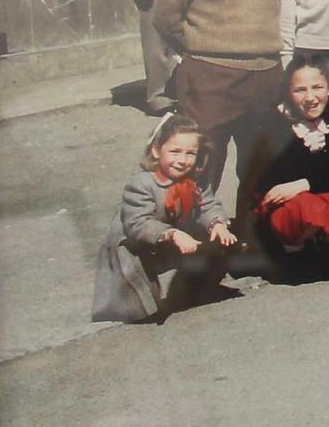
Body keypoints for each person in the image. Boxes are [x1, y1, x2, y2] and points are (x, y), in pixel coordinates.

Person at [150, 0, 287, 205]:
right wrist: (204, 47)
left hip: (266, 75)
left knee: (261, 169)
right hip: (210, 78)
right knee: (201, 168)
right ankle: (194, 245)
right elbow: (166, 17)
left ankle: (249, 241)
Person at [91, 114, 239, 323]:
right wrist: (172, 233)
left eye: (190, 154)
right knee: (139, 305)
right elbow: (138, 224)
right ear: (156, 150)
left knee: (216, 242)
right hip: (135, 241)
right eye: (175, 151)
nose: (182, 160)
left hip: (173, 231)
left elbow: (208, 204)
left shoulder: (195, 179)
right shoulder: (142, 184)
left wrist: (217, 223)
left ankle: (196, 289)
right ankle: (141, 306)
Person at [235, 57, 329, 275]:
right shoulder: (274, 123)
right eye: (300, 90)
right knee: (305, 208)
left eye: (317, 87)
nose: (310, 98)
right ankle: (293, 252)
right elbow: (268, 176)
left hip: (308, 191)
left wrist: (304, 183)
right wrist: (299, 186)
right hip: (281, 202)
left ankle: (324, 245)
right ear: (288, 93)